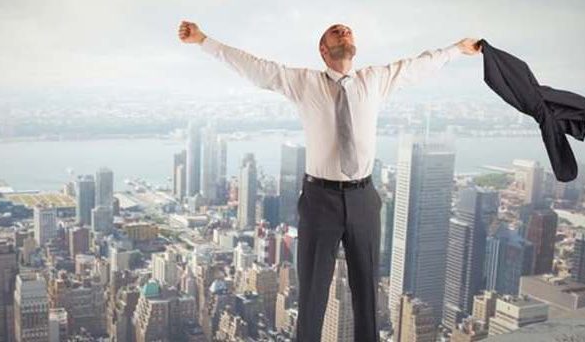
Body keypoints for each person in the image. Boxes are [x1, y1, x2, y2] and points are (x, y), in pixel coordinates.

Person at [178, 20, 481, 341]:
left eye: (348, 30)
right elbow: (254, 67)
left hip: (364, 197)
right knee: (312, 294)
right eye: (335, 31)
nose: (344, 31)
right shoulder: (304, 82)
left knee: (366, 290)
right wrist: (203, 41)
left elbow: (417, 66)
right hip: (320, 199)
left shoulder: (374, 80)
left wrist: (454, 50)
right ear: (323, 50)